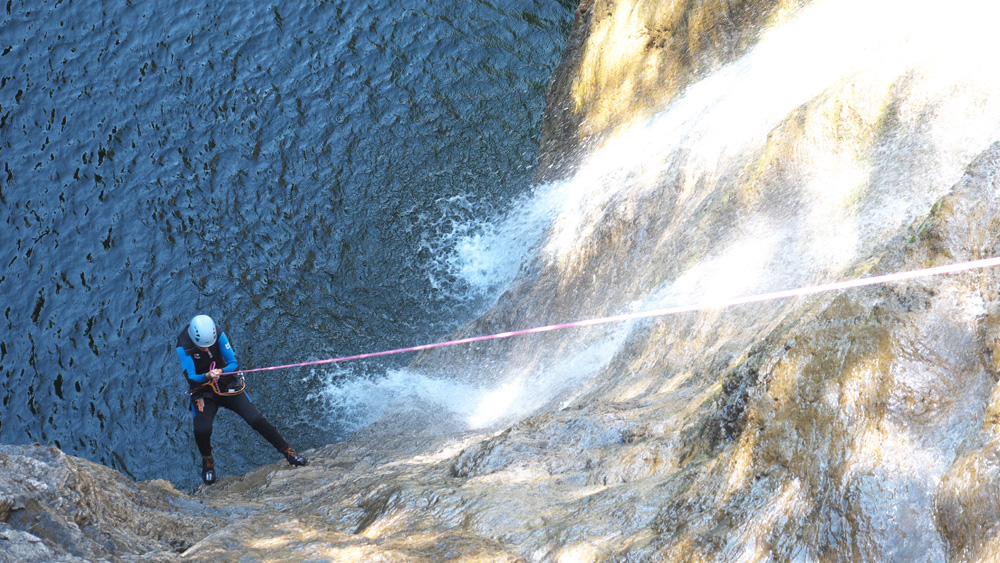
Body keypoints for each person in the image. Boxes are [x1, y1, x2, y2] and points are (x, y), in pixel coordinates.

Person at [176, 314, 307, 484]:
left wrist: (221, 372)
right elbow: (192, 377)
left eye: (208, 345)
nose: (205, 349)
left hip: (226, 382)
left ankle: (289, 452)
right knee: (202, 429)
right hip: (203, 389)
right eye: (202, 346)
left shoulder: (219, 334)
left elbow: (233, 363)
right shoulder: (183, 346)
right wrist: (207, 375)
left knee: (256, 419)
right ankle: (207, 461)